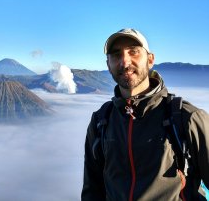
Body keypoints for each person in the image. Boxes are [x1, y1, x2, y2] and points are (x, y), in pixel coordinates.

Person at [81, 28, 209, 201]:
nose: (124, 62)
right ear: (108, 65)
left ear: (150, 60)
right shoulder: (101, 121)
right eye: (116, 54)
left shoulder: (186, 118)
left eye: (133, 52)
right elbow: (92, 190)